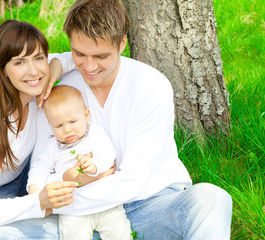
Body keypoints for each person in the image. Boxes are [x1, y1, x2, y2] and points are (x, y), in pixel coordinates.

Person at [34, 0, 233, 239]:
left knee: (212, 199)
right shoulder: (62, 92)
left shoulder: (150, 86)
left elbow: (132, 182)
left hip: (150, 205)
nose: (89, 66)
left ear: (122, 43)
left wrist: (61, 193)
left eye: (100, 56)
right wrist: (60, 61)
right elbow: (42, 169)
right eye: (78, 54)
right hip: (77, 216)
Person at [0, 20, 80, 240]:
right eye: (19, 62)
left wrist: (56, 65)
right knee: (47, 220)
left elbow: (74, 57)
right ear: (2, 69)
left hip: (19, 171)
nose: (34, 70)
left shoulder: (34, 79)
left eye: (39, 58)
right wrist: (38, 202)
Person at [28, 85, 132, 240]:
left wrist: (94, 166)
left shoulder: (95, 134)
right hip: (73, 211)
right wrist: (35, 188)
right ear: (51, 125)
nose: (67, 129)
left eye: (72, 121)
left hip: (107, 204)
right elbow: (39, 168)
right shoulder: (53, 147)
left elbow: (108, 153)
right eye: (59, 125)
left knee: (120, 233)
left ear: (86, 115)